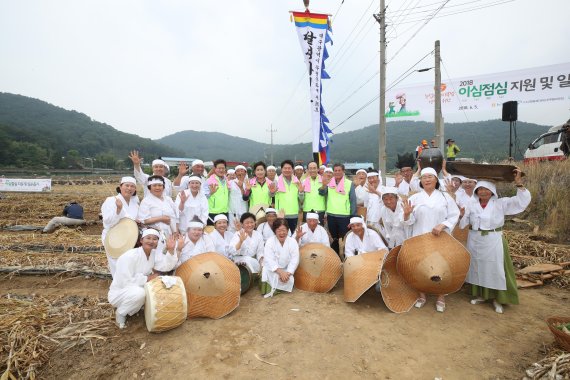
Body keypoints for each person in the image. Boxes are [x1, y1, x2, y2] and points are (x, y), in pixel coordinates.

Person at [459, 170, 530, 313]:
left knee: (495, 269)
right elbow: (463, 224)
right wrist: (461, 216)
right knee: (478, 267)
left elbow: (521, 202)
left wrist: (519, 184)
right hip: (475, 238)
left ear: (492, 191)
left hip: (493, 239)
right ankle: (482, 295)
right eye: (480, 189)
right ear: (476, 191)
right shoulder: (471, 205)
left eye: (486, 189)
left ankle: (498, 299)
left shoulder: (500, 203)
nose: (483, 192)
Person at [402, 167, 460, 313]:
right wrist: (407, 215)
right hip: (420, 237)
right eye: (424, 177)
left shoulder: (445, 197)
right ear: (420, 181)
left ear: (436, 179)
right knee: (420, 266)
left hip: (440, 238)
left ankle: (441, 296)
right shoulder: (414, 198)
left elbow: (454, 215)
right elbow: (409, 222)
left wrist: (443, 225)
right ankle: (421, 294)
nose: (427, 179)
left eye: (430, 177)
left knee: (441, 266)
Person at [108, 229, 178, 329]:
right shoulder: (129, 256)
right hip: (120, 293)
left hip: (137, 289)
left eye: (155, 239)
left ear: (157, 243)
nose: (151, 241)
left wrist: (171, 250)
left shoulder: (153, 254)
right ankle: (121, 312)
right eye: (148, 238)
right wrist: (147, 278)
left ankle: (134, 307)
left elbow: (165, 266)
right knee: (140, 293)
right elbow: (124, 281)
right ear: (141, 240)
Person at [101, 176, 140, 276]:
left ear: (135, 189)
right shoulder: (111, 200)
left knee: (129, 264)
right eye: (127, 185)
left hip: (130, 239)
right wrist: (118, 210)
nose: (129, 188)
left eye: (132, 186)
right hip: (114, 237)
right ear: (120, 186)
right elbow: (107, 222)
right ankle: (118, 288)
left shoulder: (135, 203)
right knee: (118, 265)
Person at [319, 163, 357, 255]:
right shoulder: (329, 182)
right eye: (335, 170)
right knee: (333, 239)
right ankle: (335, 257)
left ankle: (346, 258)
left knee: (345, 239)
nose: (337, 172)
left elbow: (353, 201)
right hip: (331, 215)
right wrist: (323, 185)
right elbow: (322, 193)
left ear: (343, 171)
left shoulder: (349, 183)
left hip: (344, 216)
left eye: (339, 170)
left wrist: (352, 218)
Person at [261, 218, 300, 297]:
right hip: (273, 269)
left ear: (288, 230)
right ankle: (272, 288)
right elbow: (269, 259)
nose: (282, 233)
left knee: (289, 279)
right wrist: (280, 272)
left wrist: (288, 273)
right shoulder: (270, 241)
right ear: (274, 231)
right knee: (266, 271)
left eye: (284, 230)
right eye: (279, 230)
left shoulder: (292, 241)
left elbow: (295, 259)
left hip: (286, 270)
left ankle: (276, 288)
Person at [137, 175, 178, 241]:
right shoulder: (146, 201)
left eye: (159, 185)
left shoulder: (168, 200)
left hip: (169, 234)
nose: (157, 187)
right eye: (154, 185)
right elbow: (143, 221)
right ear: (149, 188)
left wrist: (175, 232)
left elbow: (174, 217)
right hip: (153, 236)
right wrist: (161, 218)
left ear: (163, 187)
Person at [274, 159, 304, 233]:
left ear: (292, 169)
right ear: (281, 169)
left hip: (294, 214)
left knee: (292, 236)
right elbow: (271, 195)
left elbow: (301, 199)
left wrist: (301, 192)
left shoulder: (297, 182)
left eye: (289, 168)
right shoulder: (276, 182)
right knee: (281, 234)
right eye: (285, 168)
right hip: (281, 214)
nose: (287, 170)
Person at [203, 159, 230, 224]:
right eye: (219, 168)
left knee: (223, 232)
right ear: (215, 169)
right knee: (212, 232)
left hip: (225, 211)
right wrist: (211, 193)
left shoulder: (227, 181)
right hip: (212, 212)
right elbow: (203, 197)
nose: (221, 170)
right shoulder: (209, 181)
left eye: (223, 168)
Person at [228, 165, 248, 230]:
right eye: (238, 171)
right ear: (235, 173)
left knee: (244, 228)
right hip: (232, 210)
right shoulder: (230, 183)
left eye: (242, 170)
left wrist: (242, 188)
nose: (240, 173)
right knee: (232, 228)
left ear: (245, 172)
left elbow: (246, 198)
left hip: (244, 209)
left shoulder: (248, 183)